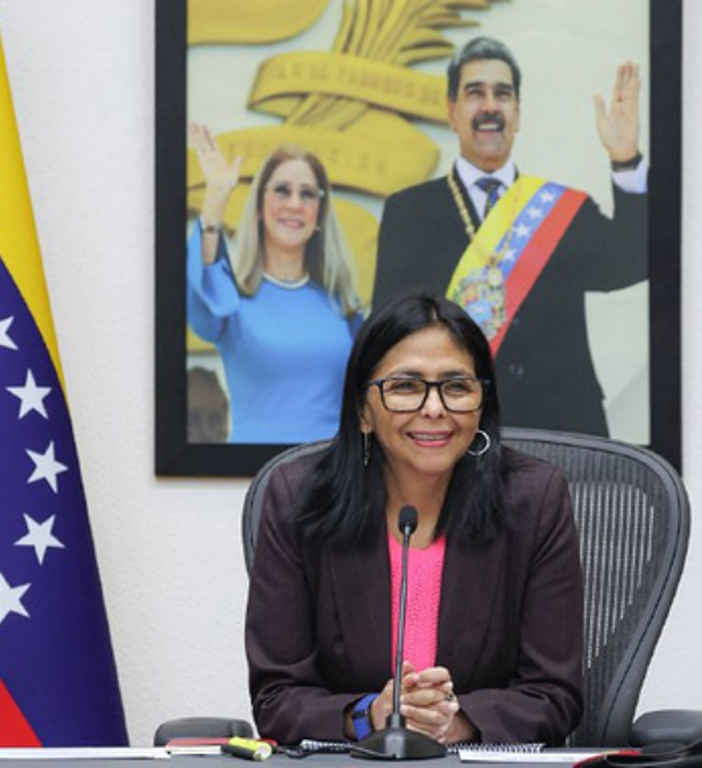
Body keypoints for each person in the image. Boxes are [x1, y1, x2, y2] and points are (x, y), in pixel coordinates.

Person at [245, 294, 583, 745]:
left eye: (456, 387)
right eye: (405, 386)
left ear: (482, 403)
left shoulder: (533, 501)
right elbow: (277, 697)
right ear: (363, 410)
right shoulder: (298, 499)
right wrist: (372, 715)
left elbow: (555, 694)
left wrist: (454, 722)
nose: (434, 408)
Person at [373, 37, 647, 438]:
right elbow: (387, 335)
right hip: (451, 431)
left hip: (561, 427)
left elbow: (633, 259)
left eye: (502, 94)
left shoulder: (561, 209)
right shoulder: (409, 212)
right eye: (475, 93)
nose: (490, 106)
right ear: (451, 111)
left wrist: (625, 159)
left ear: (517, 113)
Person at [187, 122, 362, 443]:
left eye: (307, 194)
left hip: (333, 469)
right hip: (256, 469)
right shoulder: (230, 300)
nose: (295, 204)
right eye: (282, 190)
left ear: (319, 214)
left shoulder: (343, 304)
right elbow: (202, 295)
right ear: (259, 207)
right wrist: (215, 199)